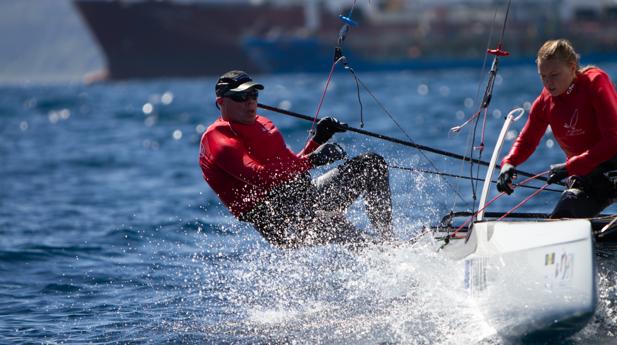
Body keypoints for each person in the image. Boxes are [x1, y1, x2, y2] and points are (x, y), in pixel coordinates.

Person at [199, 70, 393, 248]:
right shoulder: (217, 139)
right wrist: (314, 160)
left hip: (306, 197)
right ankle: (385, 253)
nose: (249, 102)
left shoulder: (263, 124)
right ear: (221, 102)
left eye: (253, 95)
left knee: (371, 164)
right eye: (241, 97)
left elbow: (293, 165)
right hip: (280, 220)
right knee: (346, 233)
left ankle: (388, 238)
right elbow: (261, 177)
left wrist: (317, 140)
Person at [496, 39, 617, 218]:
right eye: (543, 76)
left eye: (554, 75)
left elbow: (613, 140)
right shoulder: (545, 102)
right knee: (564, 215)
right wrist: (508, 163)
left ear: (572, 67)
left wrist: (569, 167)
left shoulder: (595, 82)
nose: (548, 83)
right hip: (589, 175)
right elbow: (527, 140)